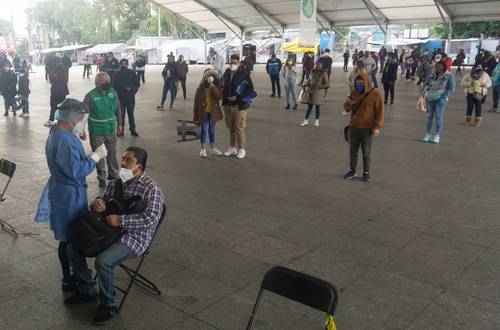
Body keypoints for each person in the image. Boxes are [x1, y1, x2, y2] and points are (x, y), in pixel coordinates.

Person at [65, 146, 164, 326]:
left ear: (139, 167)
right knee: (73, 246)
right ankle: (87, 289)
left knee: (103, 261)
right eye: (123, 159)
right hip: (108, 230)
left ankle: (108, 303)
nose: (123, 163)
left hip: (134, 237)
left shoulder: (152, 189)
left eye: (128, 161)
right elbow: (102, 196)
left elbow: (150, 219)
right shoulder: (119, 180)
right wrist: (99, 203)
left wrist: (120, 221)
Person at [35, 98, 107, 293]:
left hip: (63, 190)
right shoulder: (65, 140)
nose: (80, 122)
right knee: (71, 238)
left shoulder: (58, 132)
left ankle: (71, 275)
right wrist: (96, 156)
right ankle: (71, 278)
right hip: (69, 195)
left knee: (67, 237)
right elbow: (75, 171)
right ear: (72, 117)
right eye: (79, 118)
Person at [83, 72, 122, 187]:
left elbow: (118, 110)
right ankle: (102, 177)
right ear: (97, 83)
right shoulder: (90, 96)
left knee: (112, 153)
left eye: (108, 80)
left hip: (111, 129)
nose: (107, 83)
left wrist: (120, 124)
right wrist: (82, 130)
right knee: (99, 155)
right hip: (97, 130)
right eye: (104, 81)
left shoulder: (113, 92)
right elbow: (83, 114)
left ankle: (113, 175)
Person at [343, 74, 384, 182]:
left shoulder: (376, 94)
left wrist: (377, 127)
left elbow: (380, 112)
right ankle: (352, 170)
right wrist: (348, 103)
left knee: (366, 152)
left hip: (367, 129)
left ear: (366, 82)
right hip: (354, 127)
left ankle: (366, 171)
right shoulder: (354, 93)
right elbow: (347, 109)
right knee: (353, 151)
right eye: (357, 83)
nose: (359, 85)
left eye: (361, 83)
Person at [221, 54, 254, 159]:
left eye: (235, 63)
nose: (232, 64)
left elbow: (250, 90)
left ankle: (242, 149)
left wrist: (238, 98)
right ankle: (232, 148)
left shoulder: (244, 74)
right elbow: (223, 85)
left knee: (238, 127)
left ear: (239, 63)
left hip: (239, 106)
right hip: (228, 105)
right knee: (231, 128)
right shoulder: (226, 73)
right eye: (231, 62)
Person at [421, 61, 456, 144]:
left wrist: (444, 95)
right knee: (429, 116)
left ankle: (437, 135)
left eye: (441, 66)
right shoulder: (432, 75)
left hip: (441, 99)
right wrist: (425, 92)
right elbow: (425, 84)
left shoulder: (449, 76)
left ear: (444, 67)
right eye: (437, 66)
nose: (439, 68)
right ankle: (428, 134)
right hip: (430, 98)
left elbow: (451, 89)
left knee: (438, 116)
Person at [193, 69, 223, 158]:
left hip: (213, 112)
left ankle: (213, 148)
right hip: (204, 113)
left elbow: (219, 96)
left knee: (212, 130)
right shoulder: (200, 88)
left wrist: (213, 87)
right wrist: (195, 115)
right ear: (205, 77)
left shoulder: (216, 86)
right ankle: (203, 149)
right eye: (208, 76)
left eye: (212, 76)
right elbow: (196, 102)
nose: (210, 78)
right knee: (204, 130)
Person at [112, 59, 140, 137]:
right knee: (121, 116)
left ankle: (133, 130)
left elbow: (137, 84)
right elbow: (113, 86)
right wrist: (117, 93)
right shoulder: (116, 74)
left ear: (127, 65)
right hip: (120, 99)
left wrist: (131, 89)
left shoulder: (132, 73)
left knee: (131, 115)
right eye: (122, 64)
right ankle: (121, 131)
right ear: (120, 65)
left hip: (130, 98)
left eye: (125, 64)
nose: (124, 65)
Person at [299, 61, 329, 127]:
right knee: (309, 106)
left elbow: (327, 84)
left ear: (322, 66)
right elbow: (309, 80)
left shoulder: (324, 73)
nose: (317, 66)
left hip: (319, 93)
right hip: (311, 91)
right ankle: (305, 120)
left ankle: (316, 120)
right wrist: (305, 84)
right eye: (317, 65)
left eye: (319, 65)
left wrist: (319, 86)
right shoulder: (313, 72)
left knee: (317, 106)